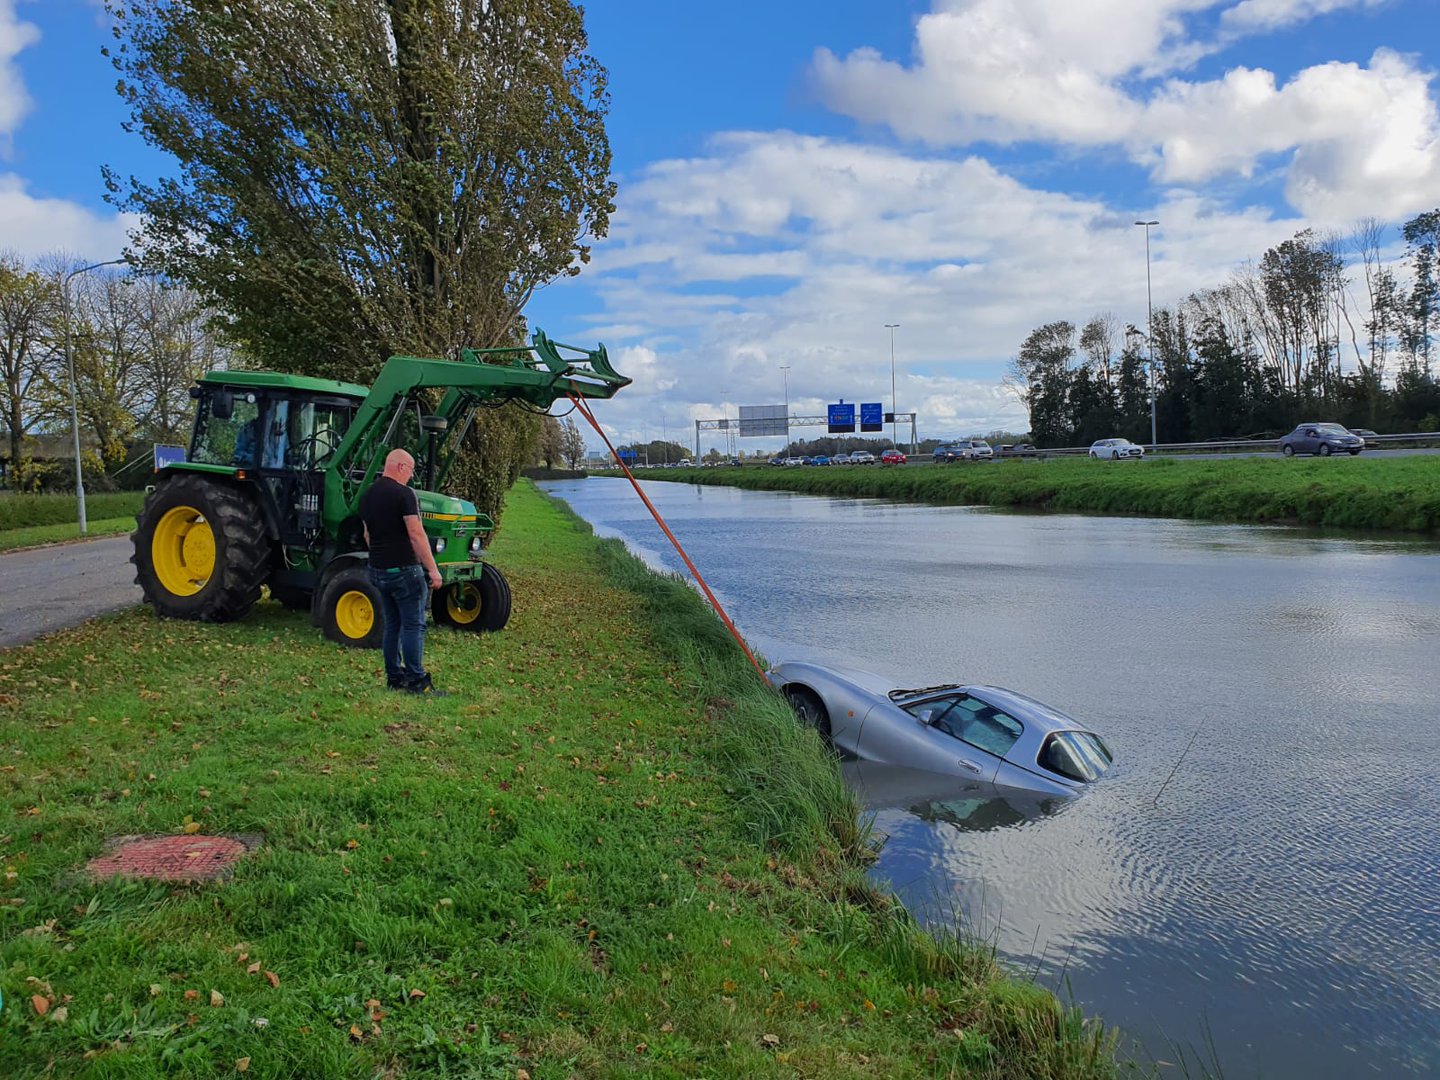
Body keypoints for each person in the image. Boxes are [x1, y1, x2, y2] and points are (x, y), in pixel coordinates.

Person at [359, 449, 445, 695]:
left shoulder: (368, 496)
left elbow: (368, 535)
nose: (410, 476)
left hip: (378, 570)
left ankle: (394, 678)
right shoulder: (404, 495)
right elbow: (416, 533)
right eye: (410, 470)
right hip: (405, 571)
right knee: (413, 625)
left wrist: (382, 558)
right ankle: (418, 682)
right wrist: (433, 570)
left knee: (392, 625)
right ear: (399, 467)